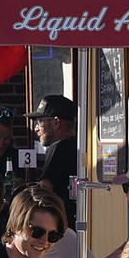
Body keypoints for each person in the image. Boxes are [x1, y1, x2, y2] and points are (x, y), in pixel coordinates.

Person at [24, 95, 77, 229]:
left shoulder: (58, 147)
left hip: (61, 224)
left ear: (56, 122)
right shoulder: (77, 146)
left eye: (39, 122)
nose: (36, 129)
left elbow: (45, 189)